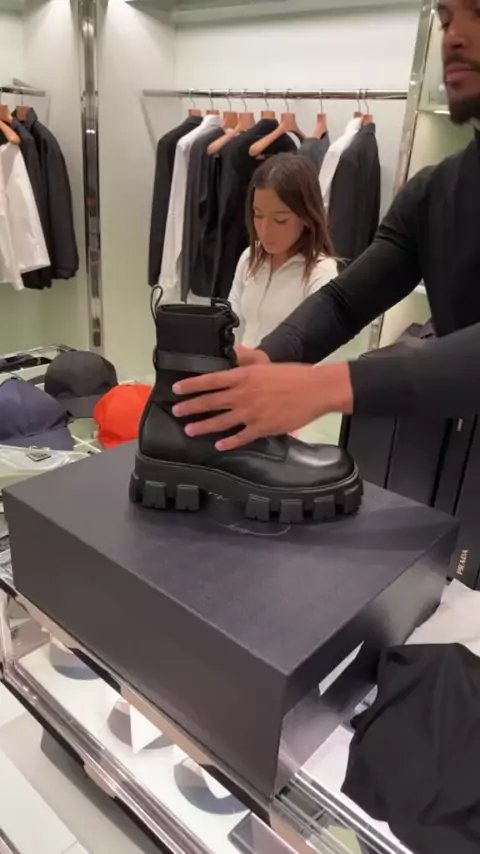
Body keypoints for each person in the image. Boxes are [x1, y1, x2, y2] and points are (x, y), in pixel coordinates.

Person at [172, 0, 480, 452]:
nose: (453, 37)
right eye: (446, 19)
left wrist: (328, 385)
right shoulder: (435, 192)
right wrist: (269, 356)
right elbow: (344, 302)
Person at [229, 154, 338, 348]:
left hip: (282, 369)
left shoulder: (320, 273)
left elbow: (318, 350)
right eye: (258, 215)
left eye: (280, 220)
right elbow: (231, 326)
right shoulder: (250, 257)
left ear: (306, 217)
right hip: (239, 365)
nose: (265, 230)